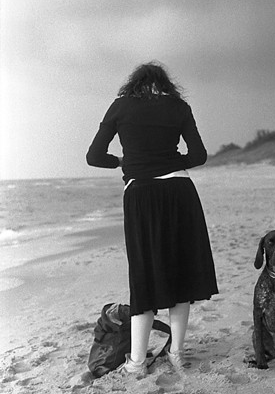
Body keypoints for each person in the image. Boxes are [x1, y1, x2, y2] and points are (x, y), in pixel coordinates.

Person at [86, 62, 218, 377]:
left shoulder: (120, 107)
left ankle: (136, 362)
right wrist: (169, 161)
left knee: (143, 275)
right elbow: (198, 155)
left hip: (140, 195)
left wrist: (123, 161)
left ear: (134, 85)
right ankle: (176, 353)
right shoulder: (179, 107)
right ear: (165, 85)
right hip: (178, 191)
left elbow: (94, 156)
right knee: (180, 272)